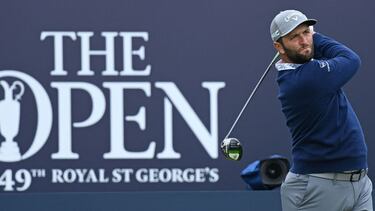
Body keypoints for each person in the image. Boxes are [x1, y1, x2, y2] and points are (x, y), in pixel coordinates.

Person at [270, 10, 373, 210]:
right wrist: (317, 37)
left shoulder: (307, 70)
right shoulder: (305, 79)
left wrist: (307, 39)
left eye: (306, 33)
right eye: (294, 37)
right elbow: (351, 59)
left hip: (359, 182)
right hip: (317, 186)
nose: (304, 41)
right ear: (279, 46)